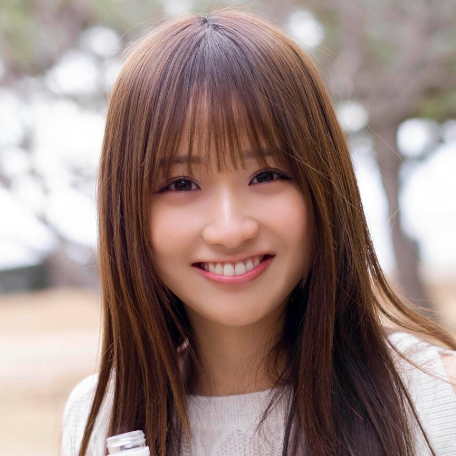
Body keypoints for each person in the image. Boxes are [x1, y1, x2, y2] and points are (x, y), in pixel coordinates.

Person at [61, 8, 456, 456]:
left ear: (324, 186)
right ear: (126, 208)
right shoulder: (99, 419)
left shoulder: (437, 401)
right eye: (181, 184)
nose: (230, 231)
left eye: (266, 175)